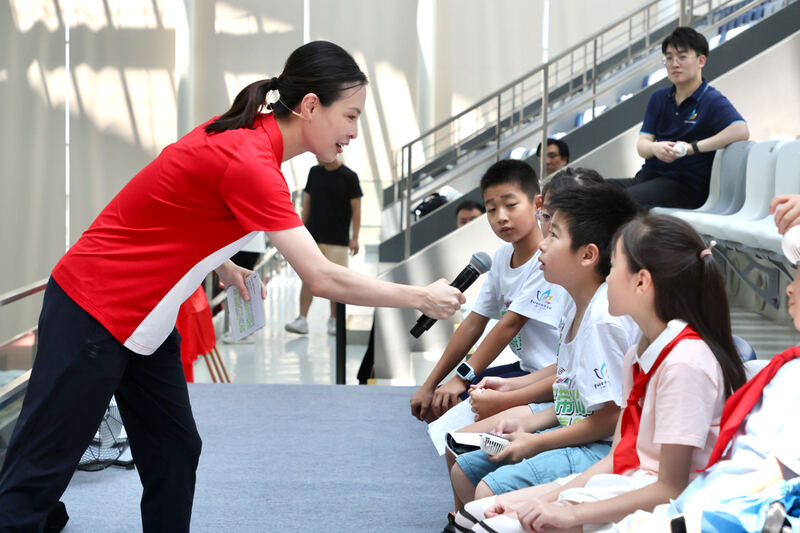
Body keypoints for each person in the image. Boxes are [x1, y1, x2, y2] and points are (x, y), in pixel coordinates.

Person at [0, 41, 464, 533]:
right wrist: (419, 296)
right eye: (350, 116)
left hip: (144, 321)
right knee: (44, 462)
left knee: (175, 449)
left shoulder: (246, 138)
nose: (353, 131)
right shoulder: (250, 160)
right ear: (310, 107)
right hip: (96, 309)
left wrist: (224, 265)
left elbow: (180, 204)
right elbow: (321, 277)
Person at [467, 214, 747, 533]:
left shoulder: (685, 362)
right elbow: (620, 456)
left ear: (641, 282)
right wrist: (550, 500)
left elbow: (670, 489)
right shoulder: (638, 353)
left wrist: (573, 512)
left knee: (489, 526)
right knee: (480, 513)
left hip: (669, 509)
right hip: (628, 484)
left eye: (613, 267)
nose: (607, 278)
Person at [450, 183, 640, 530]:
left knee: (487, 490)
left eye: (554, 234)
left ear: (588, 255)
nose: (542, 243)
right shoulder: (571, 299)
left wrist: (535, 441)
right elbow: (576, 393)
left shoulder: (603, 320)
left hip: (599, 447)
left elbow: (612, 417)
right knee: (464, 468)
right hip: (574, 428)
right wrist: (528, 424)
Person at [411, 160, 572, 426]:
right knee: (446, 401)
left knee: (461, 402)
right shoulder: (502, 257)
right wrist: (431, 384)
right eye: (491, 209)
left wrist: (459, 379)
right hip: (525, 369)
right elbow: (473, 323)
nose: (501, 217)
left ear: (537, 204)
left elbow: (509, 324)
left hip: (552, 376)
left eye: (511, 205)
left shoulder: (547, 257)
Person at [608, 27, 749, 210]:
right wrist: (655, 148)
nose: (674, 63)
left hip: (685, 185)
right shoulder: (658, 97)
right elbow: (643, 146)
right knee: (588, 188)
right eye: (668, 58)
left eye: (682, 57)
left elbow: (741, 130)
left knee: (624, 202)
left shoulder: (711, 100)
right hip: (648, 177)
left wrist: (692, 148)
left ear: (701, 60)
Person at [285, 157, 362, 336]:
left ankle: (334, 319)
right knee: (307, 278)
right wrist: (301, 231)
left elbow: (357, 208)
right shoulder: (314, 172)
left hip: (338, 240)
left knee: (337, 282)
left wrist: (355, 237)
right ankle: (302, 319)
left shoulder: (349, 177)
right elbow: (307, 203)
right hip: (313, 237)